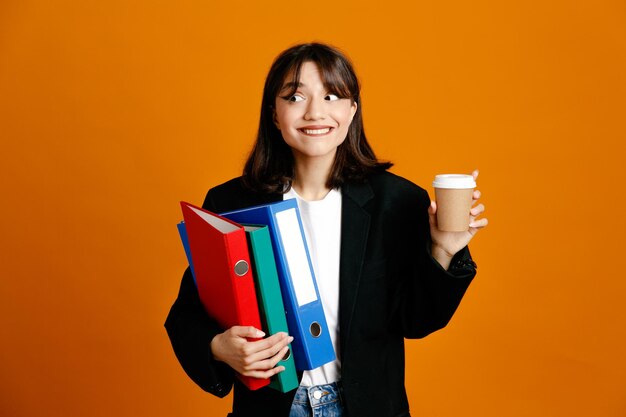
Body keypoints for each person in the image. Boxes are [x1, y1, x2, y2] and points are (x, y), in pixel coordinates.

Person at [165, 42, 487, 417]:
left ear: (352, 111)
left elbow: (417, 321)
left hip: (366, 407)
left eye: (332, 96)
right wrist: (219, 346)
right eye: (295, 96)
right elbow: (187, 314)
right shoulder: (230, 204)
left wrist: (444, 250)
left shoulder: (397, 202)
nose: (315, 112)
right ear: (274, 114)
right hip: (272, 409)